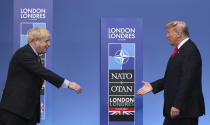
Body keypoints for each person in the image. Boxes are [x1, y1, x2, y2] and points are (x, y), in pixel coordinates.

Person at [0, 27, 82, 125]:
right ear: (36, 41)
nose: (49, 44)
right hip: (14, 113)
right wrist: (68, 84)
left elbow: (30, 83)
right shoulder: (24, 54)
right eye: (46, 41)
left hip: (25, 113)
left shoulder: (33, 56)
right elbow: (43, 72)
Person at [137, 20, 205, 125]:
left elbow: (188, 81)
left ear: (178, 34)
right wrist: (153, 86)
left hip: (184, 111)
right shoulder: (181, 50)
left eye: (169, 33)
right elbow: (173, 78)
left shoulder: (190, 51)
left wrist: (178, 105)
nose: (167, 36)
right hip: (177, 111)